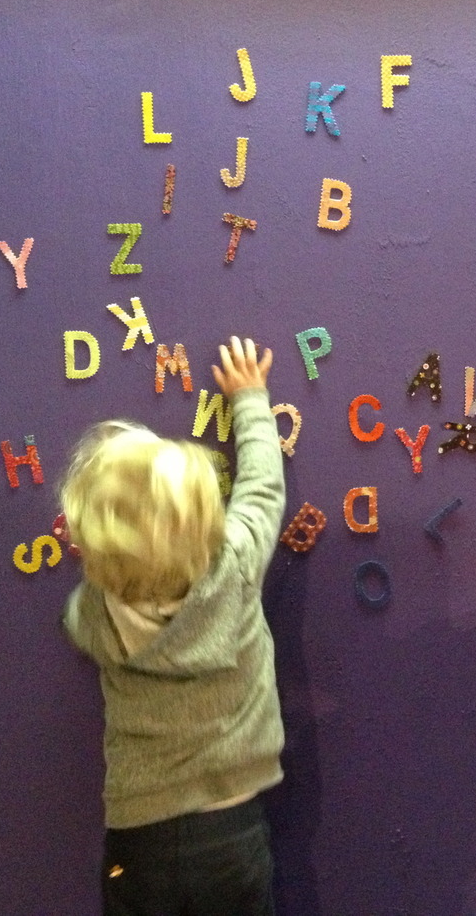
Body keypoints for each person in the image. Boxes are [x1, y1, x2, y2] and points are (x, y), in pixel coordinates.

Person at [61, 336, 286, 916]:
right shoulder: (236, 563)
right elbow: (262, 489)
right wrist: (251, 400)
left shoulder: (96, 611)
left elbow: (75, 617)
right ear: (211, 521)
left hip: (141, 841)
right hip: (231, 832)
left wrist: (101, 558)